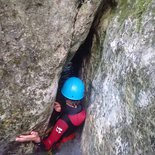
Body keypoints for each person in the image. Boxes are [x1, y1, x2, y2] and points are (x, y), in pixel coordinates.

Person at [16, 77, 86, 153]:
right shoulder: (82, 111)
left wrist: (36, 139)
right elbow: (72, 115)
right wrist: (62, 108)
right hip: (70, 135)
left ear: (65, 96)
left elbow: (47, 145)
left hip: (61, 144)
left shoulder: (63, 122)